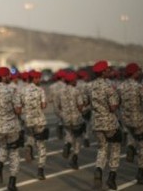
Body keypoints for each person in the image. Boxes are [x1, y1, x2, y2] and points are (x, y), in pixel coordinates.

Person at [89, 60, 121, 190]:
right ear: (103, 72)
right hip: (109, 122)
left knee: (102, 149)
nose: (109, 71)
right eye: (107, 70)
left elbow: (86, 103)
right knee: (115, 147)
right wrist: (118, 102)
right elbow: (113, 107)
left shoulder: (89, 86)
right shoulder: (108, 87)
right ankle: (112, 177)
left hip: (96, 123)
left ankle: (98, 169)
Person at [18, 70, 48, 179]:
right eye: (38, 78)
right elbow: (44, 105)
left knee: (30, 135)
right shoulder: (40, 90)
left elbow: (18, 107)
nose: (39, 80)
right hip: (39, 121)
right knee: (41, 145)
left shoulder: (21, 90)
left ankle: (29, 146)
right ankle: (40, 171)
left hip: (27, 120)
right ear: (34, 79)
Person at [117, 63, 143, 184]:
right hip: (138, 120)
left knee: (132, 137)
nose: (139, 73)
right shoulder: (138, 87)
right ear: (133, 73)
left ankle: (130, 147)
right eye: (138, 71)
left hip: (125, 120)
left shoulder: (120, 86)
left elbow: (117, 103)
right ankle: (141, 172)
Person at [59, 72, 85, 170]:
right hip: (76, 119)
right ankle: (74, 158)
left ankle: (67, 144)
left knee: (68, 134)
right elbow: (80, 106)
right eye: (75, 80)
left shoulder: (61, 92)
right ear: (72, 81)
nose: (76, 81)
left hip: (65, 118)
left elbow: (59, 106)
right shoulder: (76, 91)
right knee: (78, 138)